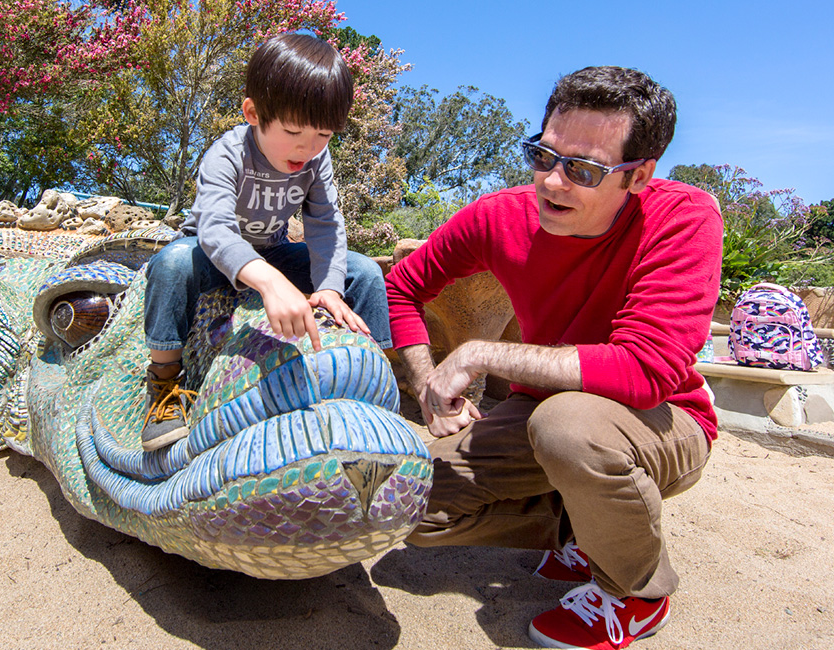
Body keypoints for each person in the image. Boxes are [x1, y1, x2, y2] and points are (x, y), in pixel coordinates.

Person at [385, 66, 722, 650]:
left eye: (584, 169)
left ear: (638, 175)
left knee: (567, 426)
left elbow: (646, 370)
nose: (553, 182)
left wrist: (479, 353)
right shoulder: (500, 215)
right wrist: (424, 383)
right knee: (406, 506)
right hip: (539, 419)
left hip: (661, 421)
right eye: (544, 155)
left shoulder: (683, 218)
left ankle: (636, 594)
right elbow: (402, 285)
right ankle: (579, 531)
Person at [140, 33, 393, 451]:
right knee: (170, 265)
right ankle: (165, 385)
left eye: (324, 135)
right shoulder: (227, 153)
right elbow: (216, 228)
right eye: (293, 130)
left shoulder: (315, 160)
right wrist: (270, 282)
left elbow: (326, 224)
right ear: (254, 113)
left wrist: (328, 287)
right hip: (208, 253)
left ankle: (375, 379)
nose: (307, 147)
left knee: (363, 273)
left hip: (272, 248)